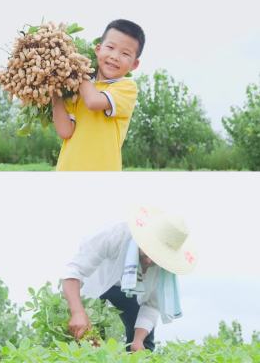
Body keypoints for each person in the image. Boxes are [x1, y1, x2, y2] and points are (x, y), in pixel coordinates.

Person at [61, 207, 196, 351]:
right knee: (87, 339)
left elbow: (151, 305)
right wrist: (77, 312)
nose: (149, 261)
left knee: (143, 345)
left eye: (157, 257)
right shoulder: (115, 234)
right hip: (96, 285)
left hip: (133, 293)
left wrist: (138, 340)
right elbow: (74, 271)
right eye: (149, 251)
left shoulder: (165, 270)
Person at [52, 19, 145, 171]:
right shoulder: (78, 88)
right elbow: (65, 131)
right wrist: (54, 92)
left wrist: (76, 65)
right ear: (98, 49)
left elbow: (93, 102)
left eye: (125, 53)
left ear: (134, 64)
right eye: (110, 47)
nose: (115, 56)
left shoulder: (126, 87)